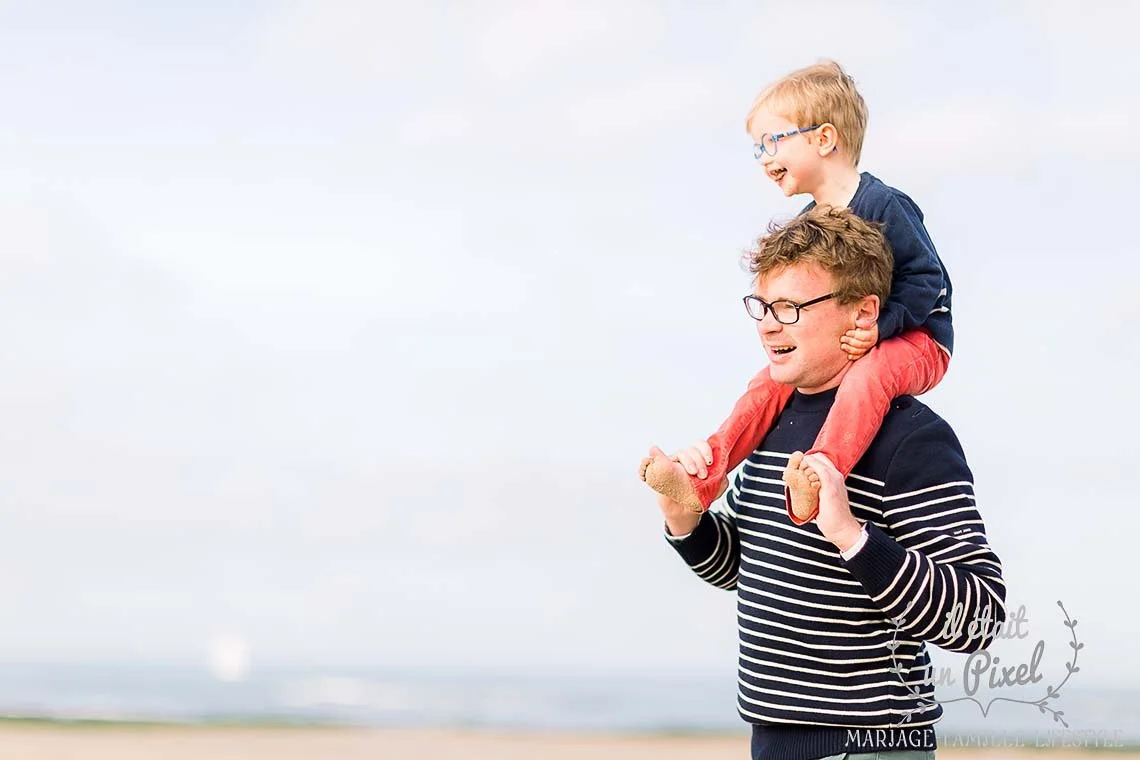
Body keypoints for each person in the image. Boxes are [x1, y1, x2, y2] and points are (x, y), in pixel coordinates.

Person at [643, 207, 1005, 760]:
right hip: (773, 742)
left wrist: (850, 536)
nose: (768, 325)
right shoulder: (772, 423)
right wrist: (685, 519)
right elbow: (747, 569)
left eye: (790, 308)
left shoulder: (911, 437)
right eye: (762, 306)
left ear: (863, 313)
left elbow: (979, 618)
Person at [641, 60, 951, 525]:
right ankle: (705, 476)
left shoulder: (884, 204)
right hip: (858, 334)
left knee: (868, 376)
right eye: (757, 148)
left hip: (916, 337)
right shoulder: (809, 222)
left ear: (824, 139)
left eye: (772, 142)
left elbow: (927, 279)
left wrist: (882, 327)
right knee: (767, 382)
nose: (764, 158)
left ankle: (821, 473)